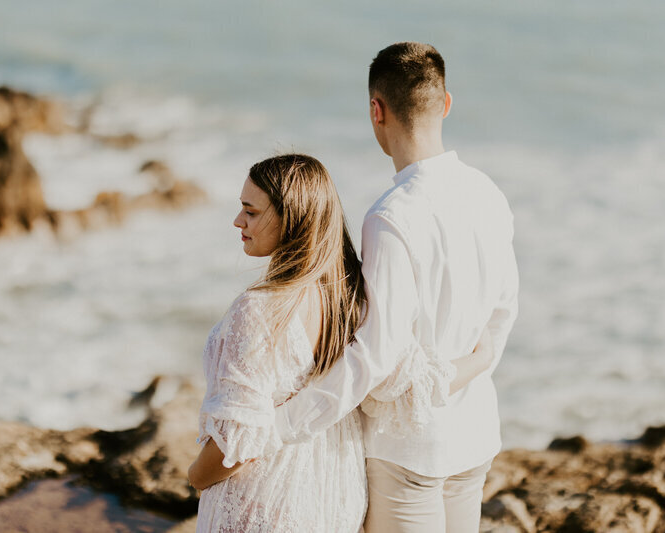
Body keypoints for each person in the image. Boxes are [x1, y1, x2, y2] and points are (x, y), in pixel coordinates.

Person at [272, 43, 519, 533]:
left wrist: (283, 425)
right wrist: (472, 366)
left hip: (409, 451)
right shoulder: (488, 193)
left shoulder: (391, 216)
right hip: (474, 434)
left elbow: (375, 356)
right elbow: (502, 315)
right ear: (446, 103)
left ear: (376, 110)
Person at [187, 154, 493, 532]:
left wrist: (196, 476)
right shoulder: (353, 301)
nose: (238, 221)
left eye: (250, 211)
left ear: (290, 220)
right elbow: (408, 383)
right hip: (333, 498)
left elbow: (238, 444)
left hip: (266, 500)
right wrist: (482, 359)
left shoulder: (259, 311)